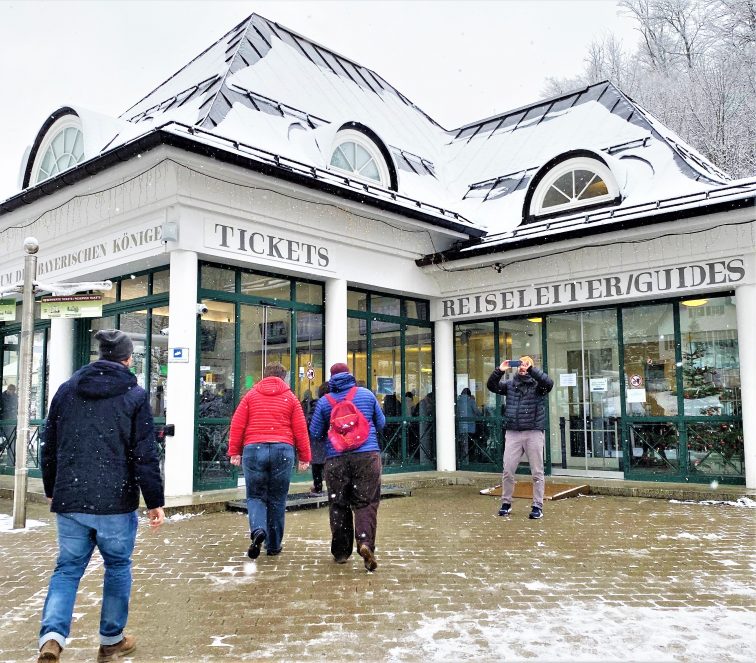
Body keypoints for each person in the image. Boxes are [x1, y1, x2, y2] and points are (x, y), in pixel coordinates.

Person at [37, 330, 165, 663]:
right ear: (127, 358)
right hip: (115, 500)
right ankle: (111, 641)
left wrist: (53, 489)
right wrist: (154, 501)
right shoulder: (135, 396)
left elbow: (49, 445)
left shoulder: (66, 391)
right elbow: (144, 454)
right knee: (118, 567)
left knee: (67, 569)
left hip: (73, 498)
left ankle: (51, 637)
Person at [228, 362, 310, 559]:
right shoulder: (290, 398)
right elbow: (300, 429)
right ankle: (273, 545)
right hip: (283, 449)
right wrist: (305, 457)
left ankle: (258, 530)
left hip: (254, 449)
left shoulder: (250, 396)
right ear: (284, 377)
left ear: (264, 376)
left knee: (256, 496)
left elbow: (237, 425)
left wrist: (234, 452)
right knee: (277, 499)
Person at [309, 362, 385, 571]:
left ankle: (342, 552)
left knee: (339, 504)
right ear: (350, 375)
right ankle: (365, 543)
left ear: (331, 379)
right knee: (366, 502)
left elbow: (314, 432)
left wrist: (333, 433)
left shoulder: (325, 402)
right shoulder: (367, 395)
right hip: (367, 456)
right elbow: (381, 423)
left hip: (336, 458)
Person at [486, 356, 553, 520]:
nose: (522, 367)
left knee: (537, 472)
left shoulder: (538, 386)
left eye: (526, 364)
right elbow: (492, 386)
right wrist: (499, 370)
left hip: (533, 432)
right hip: (513, 432)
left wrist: (531, 369)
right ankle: (506, 503)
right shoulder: (510, 385)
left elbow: (548, 383)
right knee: (508, 470)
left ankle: (537, 506)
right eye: (520, 364)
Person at [308, 382, 330, 495]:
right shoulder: (333, 403)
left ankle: (318, 488)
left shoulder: (317, 405)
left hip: (319, 441)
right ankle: (329, 488)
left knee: (317, 466)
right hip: (328, 440)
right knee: (326, 465)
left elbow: (311, 422)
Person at [456, 387, 481, 463]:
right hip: (470, 427)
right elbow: (477, 412)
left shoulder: (457, 401)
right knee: (470, 444)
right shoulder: (471, 401)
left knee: (462, 443)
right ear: (469, 394)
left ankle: (462, 459)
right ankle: (469, 460)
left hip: (460, 426)